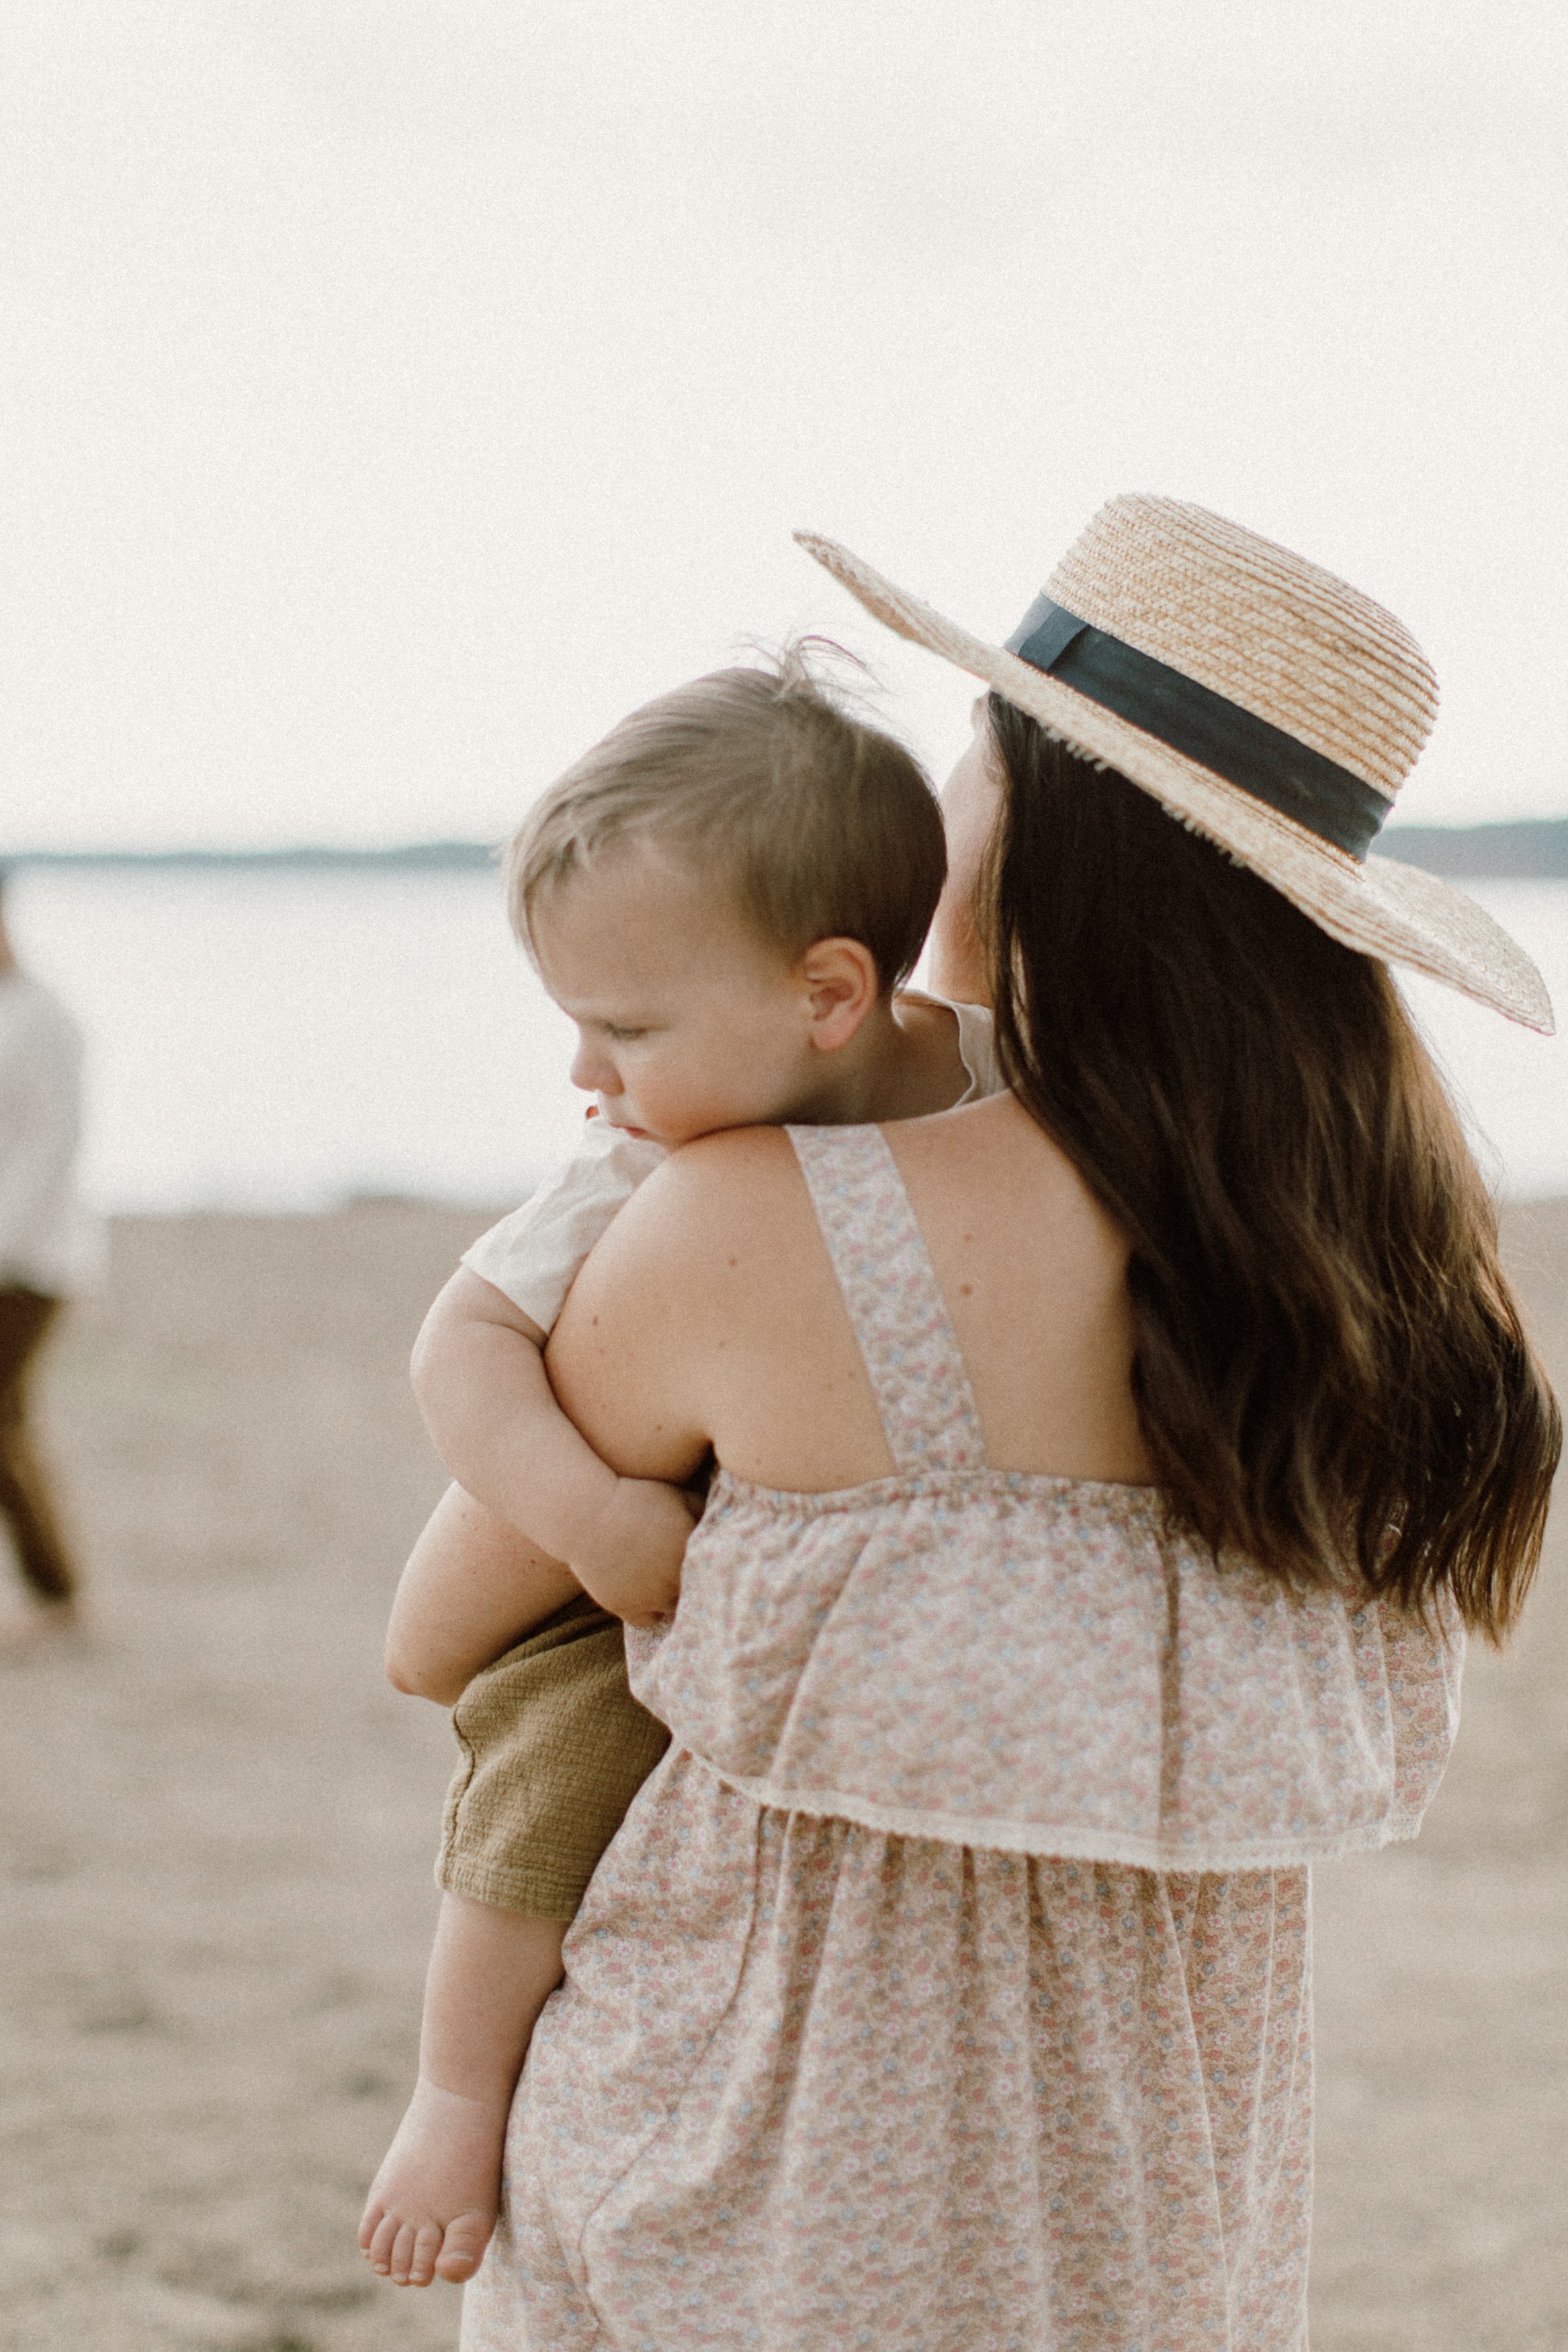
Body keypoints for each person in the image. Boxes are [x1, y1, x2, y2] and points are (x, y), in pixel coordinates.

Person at [437, 495, 1558, 2351]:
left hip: (763, 2155)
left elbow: (436, 1627)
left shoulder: (754, 1219)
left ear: (1031, 812)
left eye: (977, 744)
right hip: (1145, 2208)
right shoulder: (1332, 1280)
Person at [359, 653, 1005, 2287]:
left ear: (829, 996)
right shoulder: (633, 1156)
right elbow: (459, 1346)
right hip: (621, 1560)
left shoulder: (988, 1086)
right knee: (557, 1765)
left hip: (824, 1573)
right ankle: (451, 2094)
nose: (585, 1073)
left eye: (625, 1025)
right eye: (577, 1023)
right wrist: (590, 1516)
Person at [0, 867, 101, 1628]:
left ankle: (58, 1593)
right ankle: (53, 1592)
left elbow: (56, 1149)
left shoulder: (47, 1019)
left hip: (35, 1260)